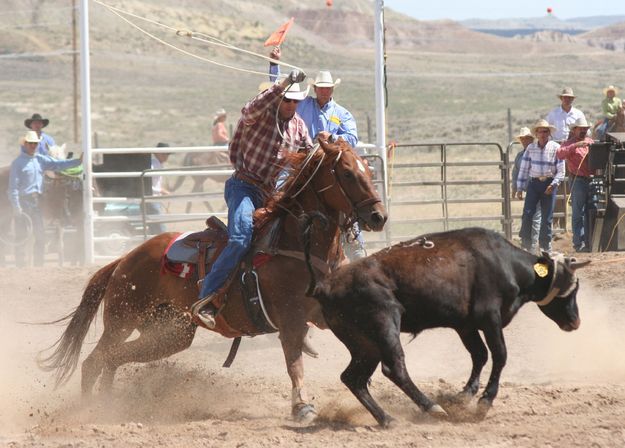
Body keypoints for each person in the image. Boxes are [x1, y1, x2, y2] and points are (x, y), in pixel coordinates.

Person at [192, 69, 312, 329]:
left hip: (269, 193)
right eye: (287, 99)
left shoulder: (299, 126)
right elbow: (249, 110)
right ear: (279, 98)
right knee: (240, 238)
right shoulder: (260, 117)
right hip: (243, 186)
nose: (291, 105)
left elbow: (309, 156)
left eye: (295, 101)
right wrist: (284, 84)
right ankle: (207, 299)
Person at [269, 47, 365, 260]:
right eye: (321, 87)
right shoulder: (302, 104)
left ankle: (356, 244)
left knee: (350, 198)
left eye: (327, 87)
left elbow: (352, 138)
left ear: (332, 89)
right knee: (278, 189)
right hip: (302, 163)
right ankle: (270, 236)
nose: (324, 91)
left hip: (330, 166)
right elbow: (279, 93)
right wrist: (274, 65)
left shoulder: (342, 114)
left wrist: (332, 139)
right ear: (315, 88)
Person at [8, 130, 82, 266]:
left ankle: (38, 267)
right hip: (24, 202)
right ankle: (20, 268)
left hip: (36, 202)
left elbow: (58, 164)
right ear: (25, 144)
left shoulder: (40, 160)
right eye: (30, 143)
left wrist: (77, 162)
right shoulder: (17, 163)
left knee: (40, 237)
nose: (33, 146)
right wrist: (16, 207)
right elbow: (13, 188)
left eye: (35, 144)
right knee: (22, 236)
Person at [515, 119, 565, 254]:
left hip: (549, 183)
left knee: (547, 217)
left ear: (549, 133)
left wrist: (554, 184)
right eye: (540, 131)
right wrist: (520, 187)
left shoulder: (555, 147)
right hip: (534, 183)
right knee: (527, 214)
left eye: (545, 131)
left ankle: (545, 246)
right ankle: (526, 243)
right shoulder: (531, 148)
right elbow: (524, 169)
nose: (542, 134)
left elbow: (561, 170)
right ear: (536, 134)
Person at [557, 117, 594, 252]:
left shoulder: (591, 142)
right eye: (581, 128)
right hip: (577, 180)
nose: (583, 131)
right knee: (578, 212)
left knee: (591, 211)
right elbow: (559, 154)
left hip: (591, 179)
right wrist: (574, 146)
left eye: (585, 129)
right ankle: (578, 243)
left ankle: (590, 242)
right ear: (574, 130)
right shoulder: (569, 143)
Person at [511, 127, 540, 252]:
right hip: (529, 189)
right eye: (522, 139)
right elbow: (516, 172)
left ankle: (532, 245)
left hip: (538, 187)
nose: (524, 141)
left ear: (531, 139)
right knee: (528, 215)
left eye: (527, 138)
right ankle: (527, 242)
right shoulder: (520, 155)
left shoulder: (536, 152)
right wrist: (515, 188)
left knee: (535, 217)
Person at [148, 142, 171, 235]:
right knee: (160, 227)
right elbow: (147, 184)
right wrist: (161, 190)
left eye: (167, 154)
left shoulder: (156, 164)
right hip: (152, 198)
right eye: (165, 154)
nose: (167, 157)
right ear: (158, 154)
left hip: (153, 199)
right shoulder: (153, 166)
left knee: (154, 227)